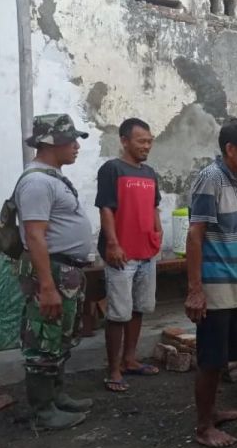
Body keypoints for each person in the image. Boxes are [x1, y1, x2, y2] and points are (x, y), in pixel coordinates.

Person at [15, 114, 95, 430]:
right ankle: (43, 411)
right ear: (50, 143)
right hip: (53, 272)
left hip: (66, 272)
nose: (76, 146)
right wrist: (46, 285)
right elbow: (35, 235)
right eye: (69, 140)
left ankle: (57, 396)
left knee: (60, 336)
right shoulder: (36, 181)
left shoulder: (51, 177)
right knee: (44, 339)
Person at [185, 118, 237, 448]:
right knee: (210, 358)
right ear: (231, 149)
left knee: (221, 358)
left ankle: (213, 411)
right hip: (213, 288)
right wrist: (195, 289)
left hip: (231, 283)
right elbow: (195, 235)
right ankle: (204, 428)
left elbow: (236, 232)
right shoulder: (210, 180)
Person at [96, 118, 163, 393]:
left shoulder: (149, 173)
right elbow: (106, 208)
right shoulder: (111, 169)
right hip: (121, 255)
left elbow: (155, 206)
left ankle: (130, 360)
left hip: (147, 253)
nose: (146, 146)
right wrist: (112, 244)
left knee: (138, 308)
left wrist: (157, 232)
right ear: (124, 141)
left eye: (149, 141)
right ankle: (113, 370)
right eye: (141, 141)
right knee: (118, 313)